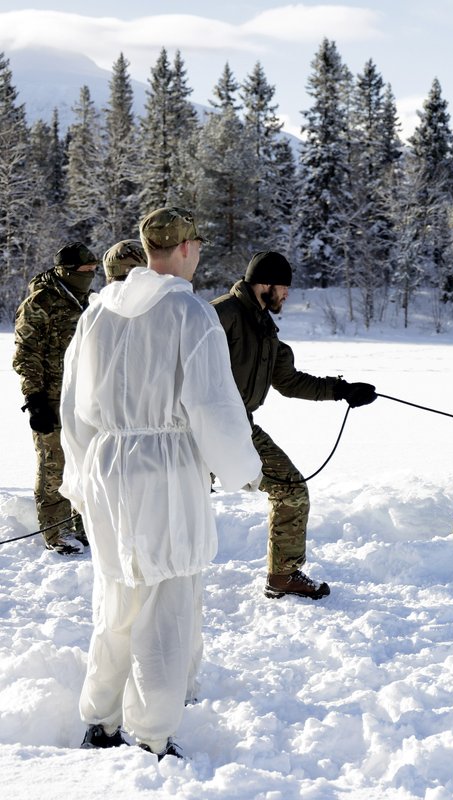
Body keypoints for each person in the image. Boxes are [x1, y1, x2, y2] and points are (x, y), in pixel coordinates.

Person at [60, 207, 261, 759]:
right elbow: (212, 405)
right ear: (187, 248)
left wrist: (80, 476)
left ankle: (99, 720)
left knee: (117, 592)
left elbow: (73, 408)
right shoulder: (189, 314)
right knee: (168, 599)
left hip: (107, 464)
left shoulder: (97, 312)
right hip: (165, 468)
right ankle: (151, 733)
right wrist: (244, 469)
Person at [211, 251, 377, 600]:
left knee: (290, 487)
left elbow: (288, 381)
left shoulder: (264, 327)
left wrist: (341, 390)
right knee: (173, 500)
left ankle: (283, 574)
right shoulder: (220, 314)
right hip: (200, 427)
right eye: (284, 287)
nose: (287, 295)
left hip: (239, 427)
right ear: (265, 284)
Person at [12, 241, 99, 554]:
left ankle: (80, 524)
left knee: (84, 464)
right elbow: (25, 353)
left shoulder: (87, 301)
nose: (90, 275)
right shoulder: (41, 301)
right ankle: (55, 530)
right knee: (55, 466)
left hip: (84, 400)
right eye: (84, 271)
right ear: (66, 271)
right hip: (50, 400)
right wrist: (34, 398)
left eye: (94, 271)